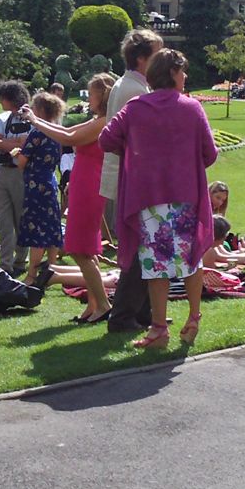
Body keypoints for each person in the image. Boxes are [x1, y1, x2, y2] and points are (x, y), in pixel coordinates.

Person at [99, 48, 218, 349]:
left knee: (156, 265)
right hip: (185, 196)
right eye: (183, 71)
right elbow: (210, 153)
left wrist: (139, 149)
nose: (186, 76)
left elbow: (106, 139)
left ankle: (159, 329)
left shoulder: (136, 107)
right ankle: (193, 318)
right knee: (191, 259)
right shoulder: (192, 108)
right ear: (174, 73)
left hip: (149, 197)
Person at [21, 74, 116, 323]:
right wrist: (37, 120)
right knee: (86, 250)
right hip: (84, 183)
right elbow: (65, 131)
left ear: (101, 96)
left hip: (90, 185)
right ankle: (93, 306)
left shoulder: (105, 121)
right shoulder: (97, 120)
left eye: (91, 93)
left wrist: (33, 120)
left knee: (79, 249)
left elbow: (69, 139)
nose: (88, 97)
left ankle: (103, 304)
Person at [99, 28, 164, 333]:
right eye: (156, 54)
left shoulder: (130, 85)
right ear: (141, 59)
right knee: (140, 250)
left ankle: (143, 313)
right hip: (134, 180)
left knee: (144, 246)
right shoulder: (134, 91)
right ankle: (124, 316)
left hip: (128, 177)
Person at [13, 92, 65, 286]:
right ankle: (51, 271)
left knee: (38, 231)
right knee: (52, 228)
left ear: (40, 110)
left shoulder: (36, 132)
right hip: (50, 181)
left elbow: (22, 162)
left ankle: (32, 275)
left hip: (36, 185)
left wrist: (17, 153)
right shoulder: (56, 130)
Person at [0, 80, 32, 276]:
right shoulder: (3, 117)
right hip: (3, 170)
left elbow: (27, 145)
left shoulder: (29, 117)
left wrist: (6, 143)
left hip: (20, 172)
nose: (0, 102)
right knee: (4, 220)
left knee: (20, 218)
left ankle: (20, 260)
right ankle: (5, 263)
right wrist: (14, 143)